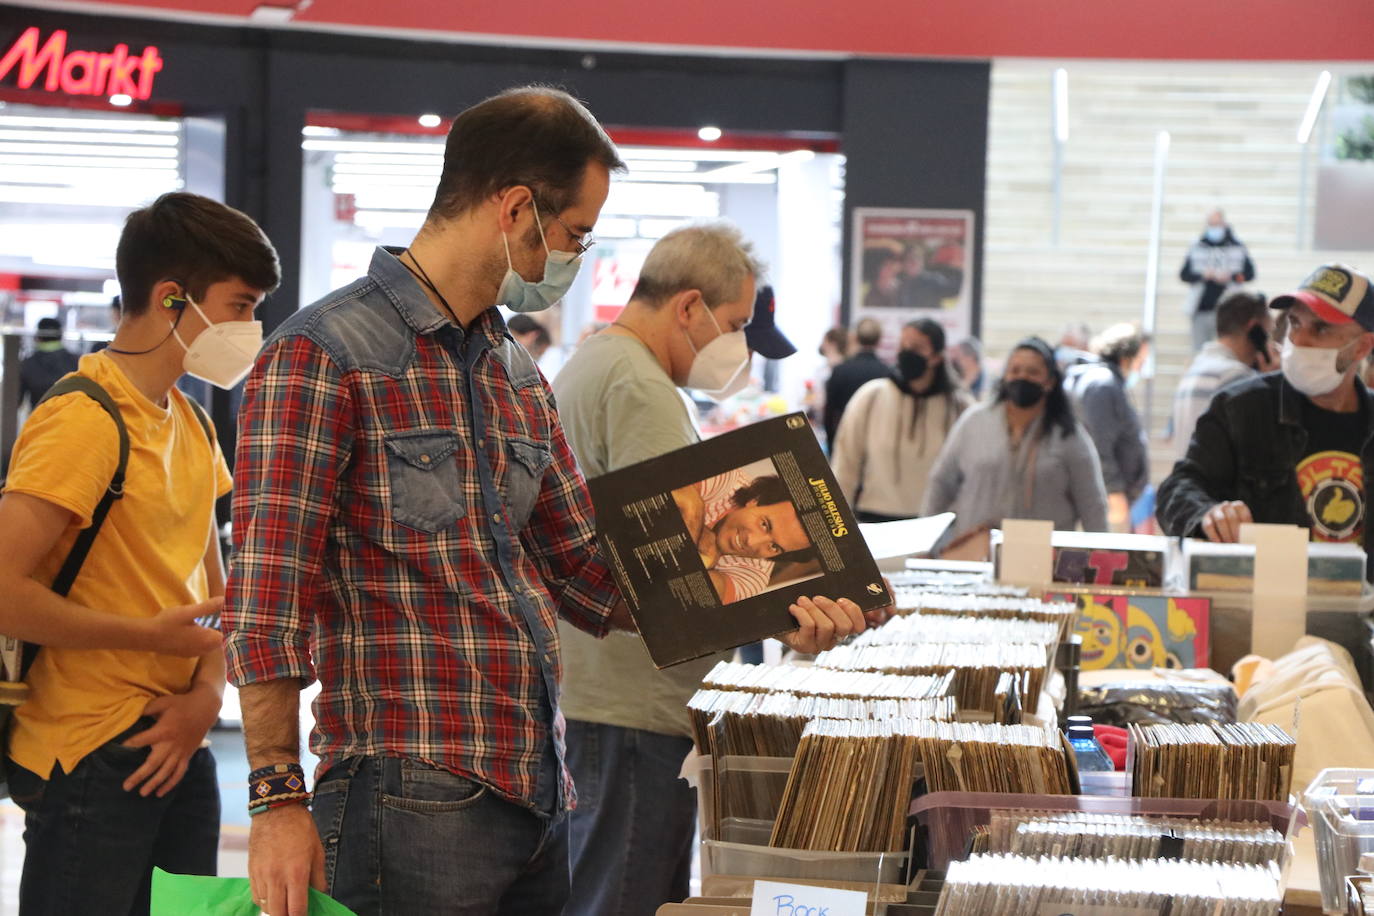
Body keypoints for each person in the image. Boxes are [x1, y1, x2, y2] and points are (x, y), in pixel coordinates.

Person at [225, 89, 863, 916]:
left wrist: (773, 600)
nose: (577, 255)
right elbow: (266, 595)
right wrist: (277, 797)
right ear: (516, 207)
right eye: (575, 234)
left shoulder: (512, 373)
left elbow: (590, 575)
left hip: (536, 789)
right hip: (403, 789)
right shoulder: (323, 355)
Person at [552, 222, 867, 916]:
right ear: (688, 307)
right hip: (633, 703)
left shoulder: (604, 365)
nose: (739, 346)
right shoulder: (637, 384)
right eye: (734, 324)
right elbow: (684, 559)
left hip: (614, 695)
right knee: (626, 895)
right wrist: (797, 612)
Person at [0, 191, 279, 914]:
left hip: (177, 743)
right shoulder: (82, 421)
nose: (251, 329)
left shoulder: (190, 420)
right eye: (241, 306)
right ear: (171, 299)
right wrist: (144, 637)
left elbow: (218, 593)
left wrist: (205, 697)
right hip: (90, 752)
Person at [1158, 264, 1374, 559]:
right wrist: (1208, 514)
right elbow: (1178, 488)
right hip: (1267, 597)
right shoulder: (1241, 409)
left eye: (1321, 328)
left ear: (1362, 346)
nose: (1299, 340)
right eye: (1295, 323)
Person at [922, 336, 1108, 544]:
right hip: (974, 553)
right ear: (1004, 376)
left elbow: (1092, 504)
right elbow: (941, 484)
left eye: (1033, 372)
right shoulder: (974, 422)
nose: (1022, 377)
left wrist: (1100, 556)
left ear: (1050, 381)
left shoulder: (1069, 435)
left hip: (1042, 558)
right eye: (1015, 370)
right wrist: (925, 542)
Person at [830, 318, 973, 522]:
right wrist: (838, 523)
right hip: (873, 520)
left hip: (936, 524)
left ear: (937, 357)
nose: (906, 352)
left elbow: (969, 474)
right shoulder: (871, 397)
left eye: (917, 347)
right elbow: (845, 465)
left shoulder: (959, 407)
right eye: (903, 345)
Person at [1170, 291, 1278, 460]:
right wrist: (1269, 384)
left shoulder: (1194, 369)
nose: (1270, 343)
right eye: (1269, 333)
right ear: (1254, 328)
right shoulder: (1237, 376)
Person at [1065, 323, 1152, 531]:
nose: (1141, 368)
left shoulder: (1104, 382)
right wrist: (1113, 491)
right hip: (1107, 498)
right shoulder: (1102, 385)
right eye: (1140, 361)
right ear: (1126, 357)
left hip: (1112, 495)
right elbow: (1099, 442)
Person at [1180, 209, 1256, 351]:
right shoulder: (1197, 246)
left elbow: (1249, 274)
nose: (1214, 228)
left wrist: (1232, 276)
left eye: (1217, 224)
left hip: (1229, 310)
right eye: (1211, 224)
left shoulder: (1237, 246)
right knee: (1200, 350)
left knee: (1228, 349)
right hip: (1202, 307)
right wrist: (1203, 275)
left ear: (1224, 224)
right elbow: (1184, 275)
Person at [823, 317, 889, 447]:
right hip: (876, 441)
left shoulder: (840, 371)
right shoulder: (887, 372)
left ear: (854, 338)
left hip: (846, 439)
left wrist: (832, 444)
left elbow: (829, 412)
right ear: (879, 340)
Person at [18, 317, 80, 411]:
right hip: (69, 420)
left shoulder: (28, 363)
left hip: (38, 420)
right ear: (61, 336)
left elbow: (17, 400)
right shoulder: (76, 361)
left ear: (38, 337)